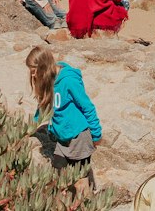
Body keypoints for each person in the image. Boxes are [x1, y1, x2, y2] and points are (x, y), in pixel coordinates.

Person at [26, 44, 102, 191]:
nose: (33, 76)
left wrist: (96, 134)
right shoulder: (48, 80)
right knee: (58, 175)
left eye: (34, 71)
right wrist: (32, 127)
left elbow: (87, 106)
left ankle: (86, 205)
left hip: (78, 136)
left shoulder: (68, 81)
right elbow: (44, 105)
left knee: (81, 181)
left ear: (43, 67)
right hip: (62, 139)